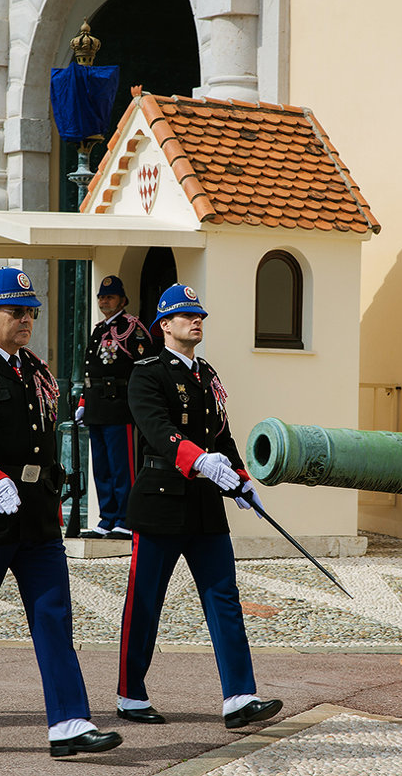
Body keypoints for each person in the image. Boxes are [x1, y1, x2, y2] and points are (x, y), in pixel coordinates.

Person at [0, 267, 122, 758]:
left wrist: (54, 492)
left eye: (31, 312)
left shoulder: (38, 372)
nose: (26, 320)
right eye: (16, 312)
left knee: (54, 617)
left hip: (35, 517)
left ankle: (69, 723)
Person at [115, 284, 282, 729]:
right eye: (186, 315)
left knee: (223, 598)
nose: (196, 321)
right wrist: (200, 460)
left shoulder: (207, 374)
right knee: (145, 602)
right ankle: (130, 693)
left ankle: (239, 696)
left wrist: (241, 481)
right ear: (164, 324)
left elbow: (222, 436)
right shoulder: (146, 372)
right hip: (160, 503)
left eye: (200, 315)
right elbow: (157, 428)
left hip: (205, 507)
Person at [75, 275, 155, 541]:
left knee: (123, 468)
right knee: (102, 468)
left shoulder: (132, 328)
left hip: (120, 407)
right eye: (101, 296)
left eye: (109, 296)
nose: (103, 301)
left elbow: (144, 368)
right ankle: (107, 518)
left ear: (122, 300)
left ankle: (125, 518)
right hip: (97, 407)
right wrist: (84, 403)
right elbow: (91, 372)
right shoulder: (99, 329)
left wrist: (139, 404)